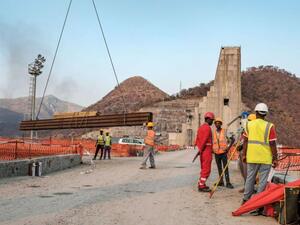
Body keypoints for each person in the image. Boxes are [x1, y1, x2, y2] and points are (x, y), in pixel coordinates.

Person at [242, 103, 278, 208]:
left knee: (250, 178)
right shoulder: (269, 126)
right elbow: (272, 144)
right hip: (265, 158)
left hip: (252, 157)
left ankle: (245, 200)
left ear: (256, 112)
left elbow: (245, 141)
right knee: (262, 181)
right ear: (265, 114)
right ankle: (258, 204)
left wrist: (244, 155)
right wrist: (275, 159)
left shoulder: (248, 125)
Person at [193, 112, 215, 192]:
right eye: (212, 120)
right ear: (208, 119)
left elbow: (197, 138)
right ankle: (201, 186)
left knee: (203, 168)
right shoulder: (207, 128)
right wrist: (201, 149)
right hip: (206, 150)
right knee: (206, 169)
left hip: (203, 150)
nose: (212, 122)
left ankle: (201, 183)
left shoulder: (201, 127)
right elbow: (205, 139)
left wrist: (199, 149)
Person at [212, 117, 234, 189]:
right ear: (215, 124)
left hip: (223, 152)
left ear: (221, 124)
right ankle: (221, 182)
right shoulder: (213, 133)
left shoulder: (225, 131)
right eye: (216, 123)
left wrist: (228, 148)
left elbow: (233, 139)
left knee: (225, 167)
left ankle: (228, 182)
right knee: (219, 168)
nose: (217, 124)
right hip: (216, 153)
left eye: (219, 123)